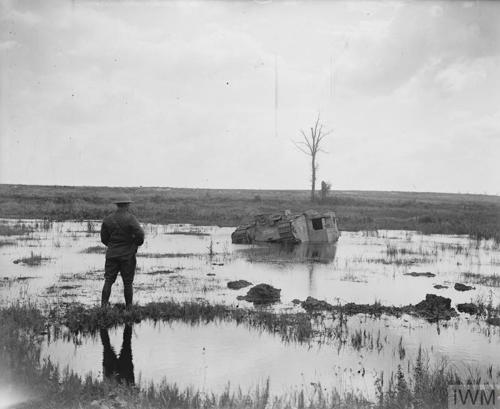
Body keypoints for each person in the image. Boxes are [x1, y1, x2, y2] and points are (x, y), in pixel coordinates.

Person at [100, 197, 144, 307]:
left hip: (112, 254)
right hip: (127, 256)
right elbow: (140, 235)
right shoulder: (131, 219)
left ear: (117, 205)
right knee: (128, 283)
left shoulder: (108, 219)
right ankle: (129, 307)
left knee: (108, 281)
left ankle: (103, 306)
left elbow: (104, 239)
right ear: (127, 205)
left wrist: (113, 245)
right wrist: (135, 244)